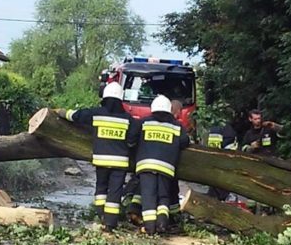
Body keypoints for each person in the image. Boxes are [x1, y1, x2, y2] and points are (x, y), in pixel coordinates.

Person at [56, 82, 139, 231]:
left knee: (101, 189)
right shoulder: (128, 119)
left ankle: (100, 214)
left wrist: (60, 112)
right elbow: (133, 139)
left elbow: (76, 116)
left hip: (101, 160)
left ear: (105, 97)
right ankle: (110, 224)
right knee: (115, 192)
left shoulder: (96, 113)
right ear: (121, 99)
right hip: (120, 163)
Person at [133, 95, 190, 235]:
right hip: (166, 168)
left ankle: (149, 228)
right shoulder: (177, 126)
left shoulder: (143, 123)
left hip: (146, 166)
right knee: (164, 196)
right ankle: (162, 224)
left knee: (149, 196)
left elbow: (132, 139)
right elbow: (185, 142)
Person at [206, 121, 240, 201]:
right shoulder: (228, 128)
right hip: (227, 163)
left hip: (221, 165)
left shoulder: (217, 128)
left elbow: (213, 150)